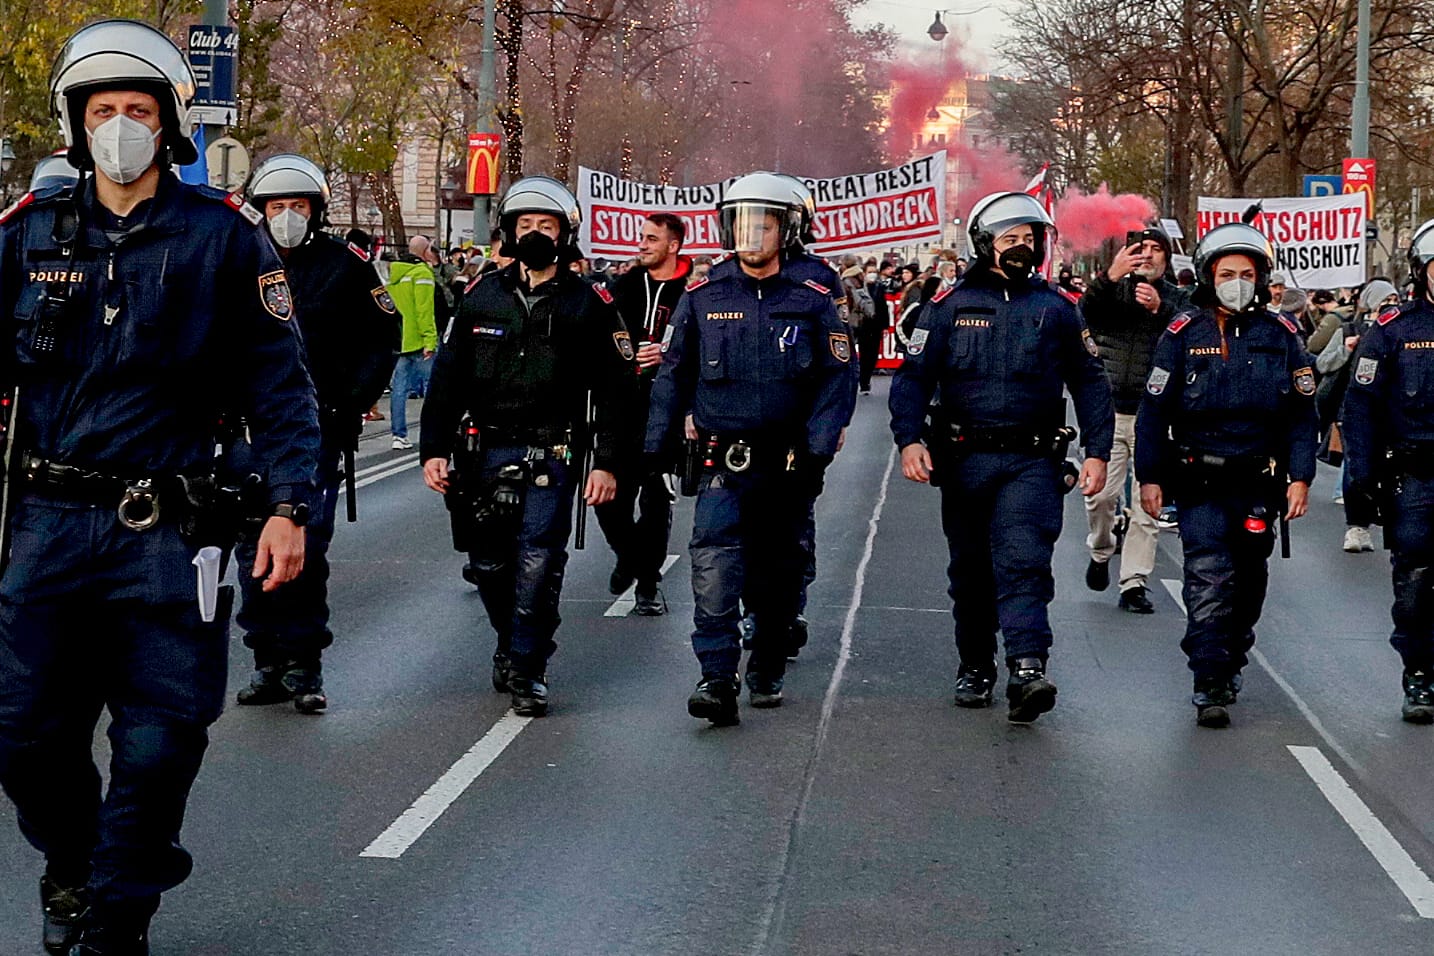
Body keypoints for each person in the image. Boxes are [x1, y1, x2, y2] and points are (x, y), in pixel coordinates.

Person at [0, 20, 320, 954]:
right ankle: (74, 864)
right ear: (75, 122)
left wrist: (289, 506)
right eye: (103, 110)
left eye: (137, 109)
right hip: (48, 526)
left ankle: (117, 916)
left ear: (170, 123)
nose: (120, 125)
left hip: (170, 532)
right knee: (23, 734)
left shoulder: (225, 236)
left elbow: (282, 386)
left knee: (161, 742)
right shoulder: (27, 234)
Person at [889, 192, 1114, 723]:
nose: (1021, 247)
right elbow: (914, 378)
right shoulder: (947, 306)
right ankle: (976, 665)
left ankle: (1028, 667)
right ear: (984, 244)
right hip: (963, 461)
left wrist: (1097, 451)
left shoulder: (1057, 308)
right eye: (1009, 238)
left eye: (1029, 238)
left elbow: (1089, 381)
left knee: (1023, 561)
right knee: (971, 570)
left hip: (1032, 462)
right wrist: (910, 440)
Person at [420, 176, 635, 717]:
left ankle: (528, 667)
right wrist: (433, 449)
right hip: (484, 452)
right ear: (508, 233)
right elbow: (446, 380)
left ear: (566, 234)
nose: (535, 233)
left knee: (539, 563)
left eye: (546, 225)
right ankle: (509, 639)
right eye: (525, 225)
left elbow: (616, 393)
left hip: (553, 454)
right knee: (488, 562)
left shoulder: (591, 304)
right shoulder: (480, 297)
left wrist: (606, 463)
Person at [647, 172, 855, 724]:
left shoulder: (812, 299)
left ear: (788, 230)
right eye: (742, 223)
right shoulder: (703, 295)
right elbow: (673, 374)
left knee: (780, 572)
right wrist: (654, 450)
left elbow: (838, 378)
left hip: (788, 461)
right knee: (714, 564)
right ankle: (716, 676)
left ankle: (766, 661)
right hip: (722, 458)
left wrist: (816, 451)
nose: (751, 235)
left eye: (763, 224)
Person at [231, 154, 399, 714]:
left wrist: (352, 400)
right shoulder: (237, 257)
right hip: (246, 431)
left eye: (296, 206)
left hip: (316, 431)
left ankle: (305, 664)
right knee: (249, 545)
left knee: (305, 545)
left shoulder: (344, 265)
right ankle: (266, 661)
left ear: (315, 210)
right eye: (275, 206)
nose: (285, 216)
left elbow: (384, 334)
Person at [1135, 222, 1317, 728]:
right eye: (1226, 272)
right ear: (1209, 276)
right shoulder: (1183, 333)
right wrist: (1150, 476)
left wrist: (1300, 477)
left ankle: (1233, 653)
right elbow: (1153, 411)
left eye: (1246, 273)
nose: (1236, 281)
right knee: (1208, 575)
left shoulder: (1282, 336)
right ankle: (1209, 677)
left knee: (1248, 582)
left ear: (1260, 278)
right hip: (1200, 480)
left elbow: (1304, 414)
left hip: (1258, 481)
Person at [1342, 224, 1434, 722]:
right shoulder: (1393, 331)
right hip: (1415, 475)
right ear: (1422, 273)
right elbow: (1359, 406)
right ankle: (1419, 674)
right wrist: (1363, 476)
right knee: (1417, 576)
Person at [1078, 225, 1189, 614]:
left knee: (1148, 503)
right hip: (1109, 412)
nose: (1148, 256)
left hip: (1154, 416)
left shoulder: (1178, 298)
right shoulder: (1111, 291)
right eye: (1139, 250)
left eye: (1156, 250)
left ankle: (1134, 582)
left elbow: (1192, 333)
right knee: (1100, 496)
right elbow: (1084, 312)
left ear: (1167, 258)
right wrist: (1110, 277)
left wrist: (1162, 309)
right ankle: (1102, 547)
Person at [596, 212, 692, 615]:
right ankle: (628, 555)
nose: (642, 245)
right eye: (642, 238)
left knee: (655, 500)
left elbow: (704, 347)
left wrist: (668, 355)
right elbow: (598, 336)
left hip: (666, 413)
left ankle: (648, 584)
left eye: (652, 239)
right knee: (608, 500)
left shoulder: (694, 290)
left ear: (673, 245)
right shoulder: (625, 285)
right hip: (621, 409)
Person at [386, 236, 439, 449]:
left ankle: (398, 436)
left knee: (399, 389)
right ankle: (433, 434)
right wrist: (430, 339)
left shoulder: (394, 274)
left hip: (399, 339)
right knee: (434, 389)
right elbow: (424, 310)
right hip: (418, 339)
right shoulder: (422, 274)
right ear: (425, 251)